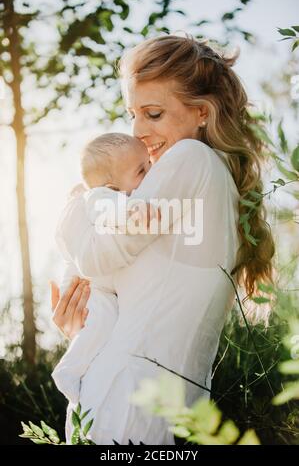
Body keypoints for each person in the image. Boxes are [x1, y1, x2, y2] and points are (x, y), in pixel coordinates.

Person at [51, 34, 275, 445]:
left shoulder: (189, 159)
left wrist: (75, 206)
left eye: (153, 114)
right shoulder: (213, 183)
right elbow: (139, 296)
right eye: (132, 114)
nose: (137, 132)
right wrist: (82, 329)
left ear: (202, 113)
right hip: (154, 404)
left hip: (129, 401)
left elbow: (94, 258)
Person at [51, 132, 160, 405]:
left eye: (148, 163)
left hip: (99, 283)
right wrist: (133, 212)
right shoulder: (101, 197)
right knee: (101, 321)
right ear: (112, 185)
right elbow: (108, 210)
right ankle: (69, 371)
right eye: (141, 169)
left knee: (105, 326)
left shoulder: (118, 192)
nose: (151, 171)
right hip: (88, 286)